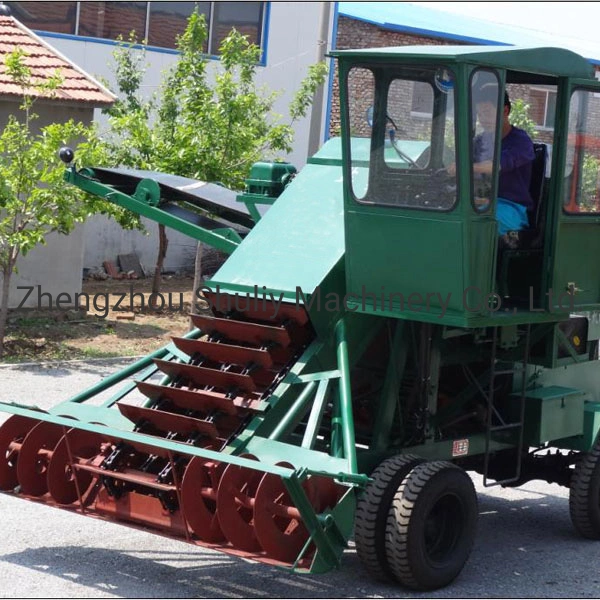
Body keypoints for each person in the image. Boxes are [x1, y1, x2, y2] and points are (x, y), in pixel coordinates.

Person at [448, 90, 535, 239]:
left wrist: (464, 167)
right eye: (480, 114)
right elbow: (462, 159)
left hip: (511, 208)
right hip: (483, 202)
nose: (483, 119)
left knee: (476, 225)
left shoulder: (521, 141)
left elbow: (495, 166)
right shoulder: (481, 140)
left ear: (505, 111)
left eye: (487, 113)